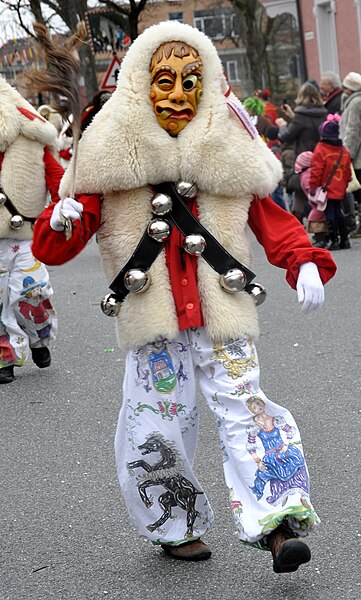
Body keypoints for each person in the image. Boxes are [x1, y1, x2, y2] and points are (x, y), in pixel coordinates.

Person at [31, 22, 336, 572]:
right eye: (163, 80)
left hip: (224, 315)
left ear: (210, 82)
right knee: (155, 426)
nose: (177, 94)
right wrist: (61, 217)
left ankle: (279, 521)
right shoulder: (106, 159)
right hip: (154, 323)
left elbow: (273, 221)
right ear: (139, 86)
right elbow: (55, 249)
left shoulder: (229, 151)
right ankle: (175, 524)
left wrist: (305, 262)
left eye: (191, 81)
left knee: (250, 411)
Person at [0, 76, 63, 384]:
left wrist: (61, 209)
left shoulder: (32, 140)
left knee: (32, 294)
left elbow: (57, 180)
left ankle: (39, 339)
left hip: (26, 239)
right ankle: (6, 357)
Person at [268, 83, 327, 223]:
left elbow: (287, 136)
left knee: (299, 193)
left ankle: (297, 226)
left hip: (304, 160)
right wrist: (293, 116)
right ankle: (326, 228)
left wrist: (282, 126)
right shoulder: (324, 113)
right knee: (323, 193)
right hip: (322, 156)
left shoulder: (301, 115)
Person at [309, 114, 352, 250]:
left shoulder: (321, 149)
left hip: (326, 188)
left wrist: (313, 186)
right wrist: (344, 185)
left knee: (330, 213)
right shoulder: (344, 151)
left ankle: (333, 240)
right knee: (339, 212)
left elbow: (317, 170)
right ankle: (345, 240)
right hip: (340, 187)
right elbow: (347, 173)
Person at [339, 71, 361, 236]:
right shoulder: (352, 101)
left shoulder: (355, 103)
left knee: (358, 191)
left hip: (357, 156)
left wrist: (347, 154)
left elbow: (353, 130)